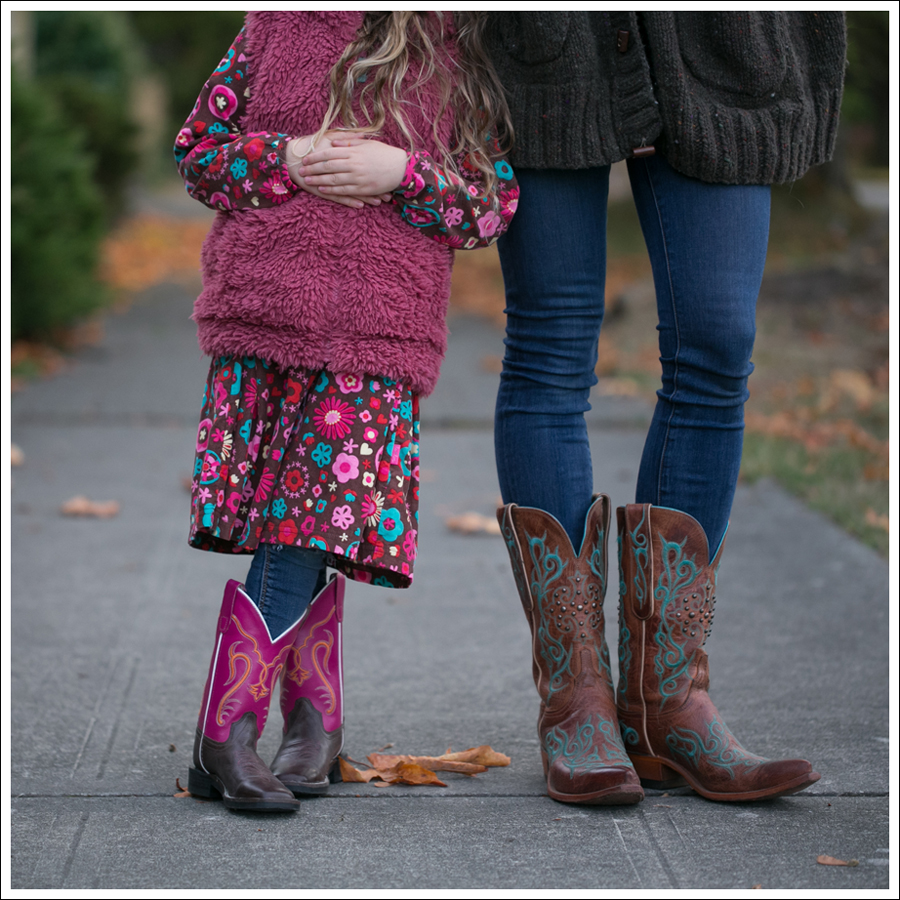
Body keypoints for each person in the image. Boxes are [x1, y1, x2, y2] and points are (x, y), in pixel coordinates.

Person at [486, 12, 846, 804]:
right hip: (544, 43)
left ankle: (668, 701)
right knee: (550, 341)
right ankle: (574, 694)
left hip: (719, 40)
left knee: (717, 342)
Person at [174, 11, 518, 812]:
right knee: (297, 519)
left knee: (307, 523)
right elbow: (198, 158)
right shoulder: (273, 29)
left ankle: (228, 733)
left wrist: (406, 174)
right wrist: (284, 157)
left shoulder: (452, 43)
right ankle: (310, 720)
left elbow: (490, 205)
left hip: (376, 336)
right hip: (266, 317)